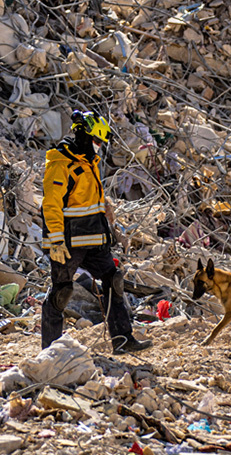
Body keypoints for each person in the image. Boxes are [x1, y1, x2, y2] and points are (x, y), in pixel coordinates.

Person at [40, 110, 152, 354]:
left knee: (113, 280)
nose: (99, 147)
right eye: (97, 141)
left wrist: (106, 209)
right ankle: (49, 352)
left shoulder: (89, 162)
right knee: (61, 293)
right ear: (83, 136)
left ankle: (123, 340)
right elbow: (51, 204)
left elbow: (89, 198)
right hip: (68, 243)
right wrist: (56, 241)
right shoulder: (60, 165)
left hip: (94, 239)